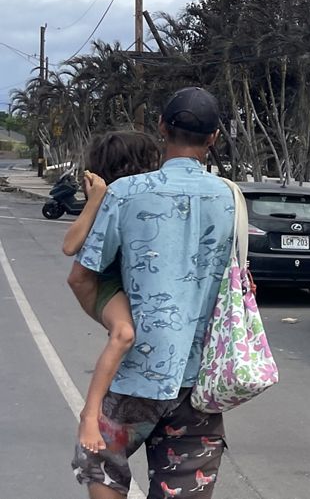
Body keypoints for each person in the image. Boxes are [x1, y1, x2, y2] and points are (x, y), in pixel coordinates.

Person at [67, 87, 235, 499]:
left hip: (134, 378)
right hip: (198, 383)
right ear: (214, 137)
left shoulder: (125, 194)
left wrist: (115, 323)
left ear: (162, 127)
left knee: (101, 465)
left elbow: (81, 275)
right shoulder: (232, 198)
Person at [61, 131, 162, 456]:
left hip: (132, 282)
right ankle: (90, 414)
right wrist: (95, 200)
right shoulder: (111, 197)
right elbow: (69, 246)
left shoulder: (142, 196)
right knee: (124, 333)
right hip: (107, 282)